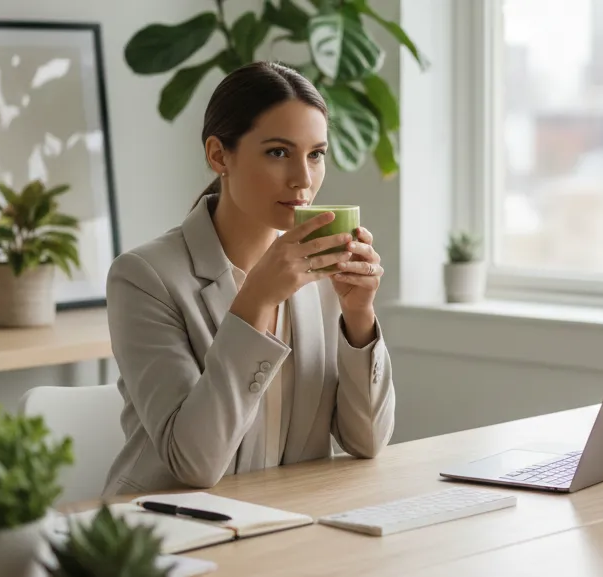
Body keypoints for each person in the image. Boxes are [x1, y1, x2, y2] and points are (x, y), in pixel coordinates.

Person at [101, 61, 395, 497]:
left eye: (316, 154)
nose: (303, 179)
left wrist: (358, 317)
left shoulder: (321, 270)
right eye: (278, 152)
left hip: (287, 524)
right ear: (220, 155)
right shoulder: (143, 278)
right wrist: (254, 302)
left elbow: (366, 441)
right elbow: (194, 464)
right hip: (172, 533)